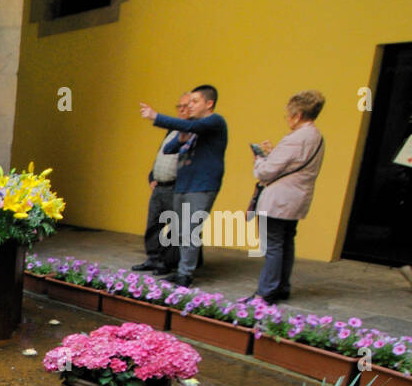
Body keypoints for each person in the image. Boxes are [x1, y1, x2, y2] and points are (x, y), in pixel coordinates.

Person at [140, 84, 228, 287]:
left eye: (194, 102)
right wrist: (181, 136)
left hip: (202, 185)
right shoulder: (192, 127)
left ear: (209, 103)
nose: (190, 106)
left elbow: (191, 126)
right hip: (183, 185)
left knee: (190, 230)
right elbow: (170, 149)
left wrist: (155, 116)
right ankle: (181, 269)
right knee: (179, 230)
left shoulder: (214, 121)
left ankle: (186, 274)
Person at [244, 91, 326, 303]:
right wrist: (273, 154)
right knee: (286, 242)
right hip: (297, 198)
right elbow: (294, 165)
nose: (287, 119)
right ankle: (282, 286)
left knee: (273, 245)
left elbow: (265, 172)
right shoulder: (316, 136)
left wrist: (259, 160)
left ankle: (265, 292)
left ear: (297, 115)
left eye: (288, 115)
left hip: (279, 200)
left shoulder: (295, 138)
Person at [134, 94, 188, 273]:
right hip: (160, 186)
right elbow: (162, 157)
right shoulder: (171, 131)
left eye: (185, 106)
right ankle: (153, 258)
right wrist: (152, 176)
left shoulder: (191, 132)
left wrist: (154, 116)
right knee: (153, 224)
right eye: (178, 106)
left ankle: (167, 262)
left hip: (176, 187)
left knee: (174, 227)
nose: (181, 110)